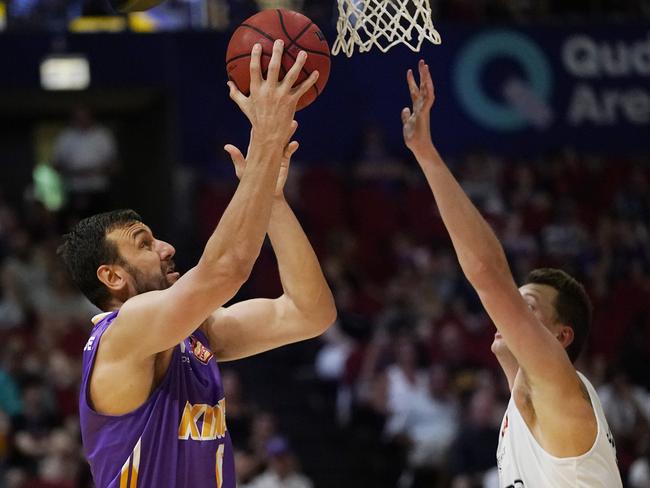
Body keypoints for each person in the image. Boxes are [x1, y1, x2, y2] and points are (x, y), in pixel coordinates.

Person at [57, 41, 336, 488]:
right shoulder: (123, 332)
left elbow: (309, 313)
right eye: (145, 244)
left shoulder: (195, 336)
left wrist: (274, 202)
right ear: (112, 276)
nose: (167, 248)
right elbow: (226, 269)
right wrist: (265, 137)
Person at [401, 60, 622, 487]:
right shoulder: (528, 399)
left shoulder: (560, 387)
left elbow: (485, 272)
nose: (510, 311)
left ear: (561, 337)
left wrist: (427, 157)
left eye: (528, 306)